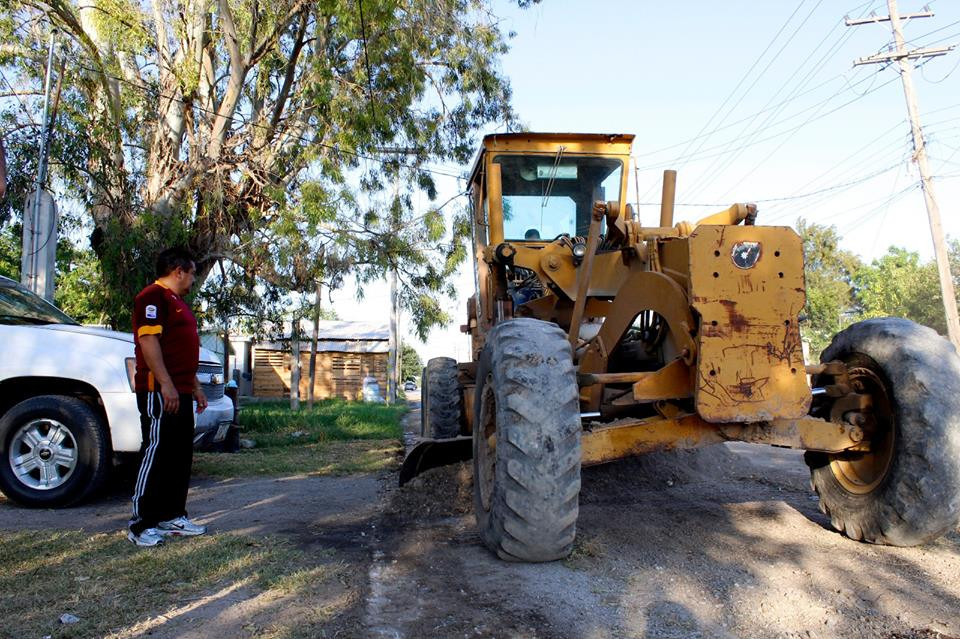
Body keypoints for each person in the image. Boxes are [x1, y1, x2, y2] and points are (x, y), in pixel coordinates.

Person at [127, 248, 208, 547]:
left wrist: (194, 386)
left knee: (178, 456)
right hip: (159, 390)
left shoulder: (178, 303)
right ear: (178, 270)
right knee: (156, 451)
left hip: (181, 390)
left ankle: (172, 516)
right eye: (192, 273)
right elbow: (149, 341)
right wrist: (166, 384)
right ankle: (141, 524)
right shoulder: (152, 297)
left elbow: (180, 351)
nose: (193, 279)